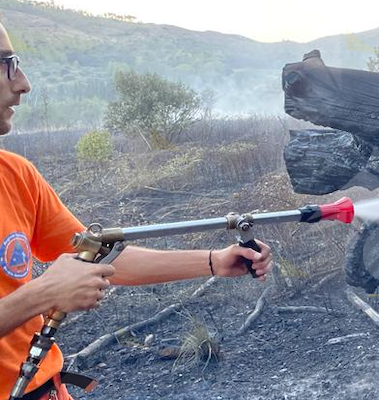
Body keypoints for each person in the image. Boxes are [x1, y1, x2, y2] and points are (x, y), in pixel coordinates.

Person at [0, 22, 275, 399]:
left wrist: (214, 260)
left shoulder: (15, 176)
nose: (23, 83)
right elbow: (52, 286)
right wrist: (40, 295)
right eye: (7, 64)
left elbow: (99, 257)